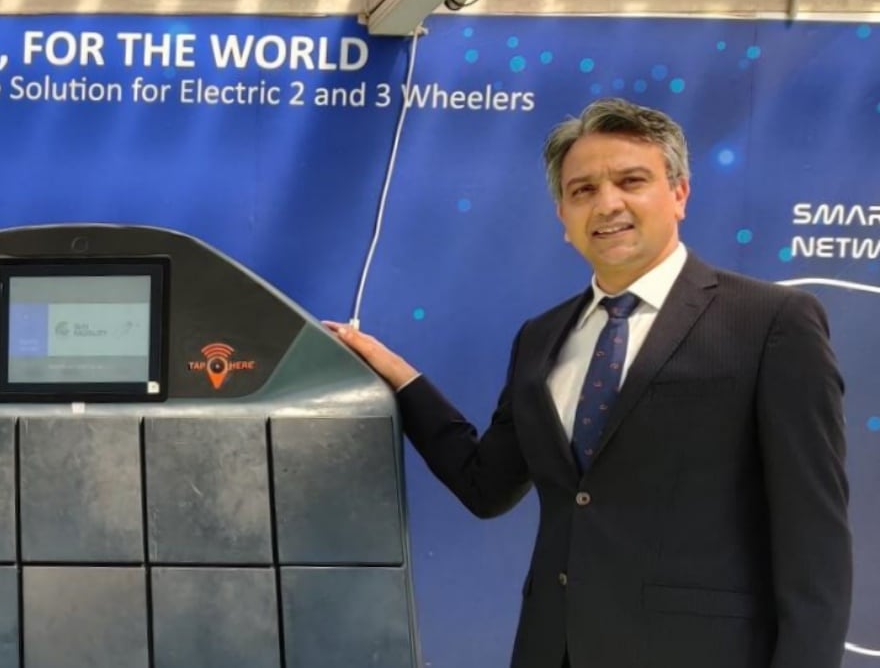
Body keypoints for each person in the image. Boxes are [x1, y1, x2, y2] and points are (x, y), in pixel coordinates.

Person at [327, 97, 851, 668]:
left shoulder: (770, 321)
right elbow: (485, 485)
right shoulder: (541, 338)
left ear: (679, 193)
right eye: (582, 190)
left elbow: (813, 536)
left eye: (631, 181)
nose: (607, 204)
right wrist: (399, 377)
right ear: (563, 216)